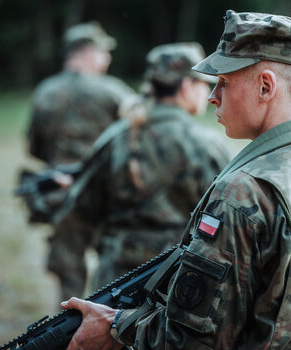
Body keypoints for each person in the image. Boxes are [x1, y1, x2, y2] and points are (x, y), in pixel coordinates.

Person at [61, 10, 291, 350]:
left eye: (225, 82)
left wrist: (116, 326)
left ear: (266, 86)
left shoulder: (243, 191)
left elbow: (191, 340)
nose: (213, 95)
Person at [50, 42, 233, 300]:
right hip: (178, 286)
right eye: (202, 84)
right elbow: (229, 224)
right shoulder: (207, 145)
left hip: (112, 288)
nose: (208, 92)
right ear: (185, 86)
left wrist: (72, 287)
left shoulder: (114, 139)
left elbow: (77, 215)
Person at [27, 21, 135, 166]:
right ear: (87, 52)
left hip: (56, 180)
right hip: (103, 182)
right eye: (103, 52)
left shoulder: (45, 90)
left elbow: (34, 146)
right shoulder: (114, 90)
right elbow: (137, 134)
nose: (108, 58)